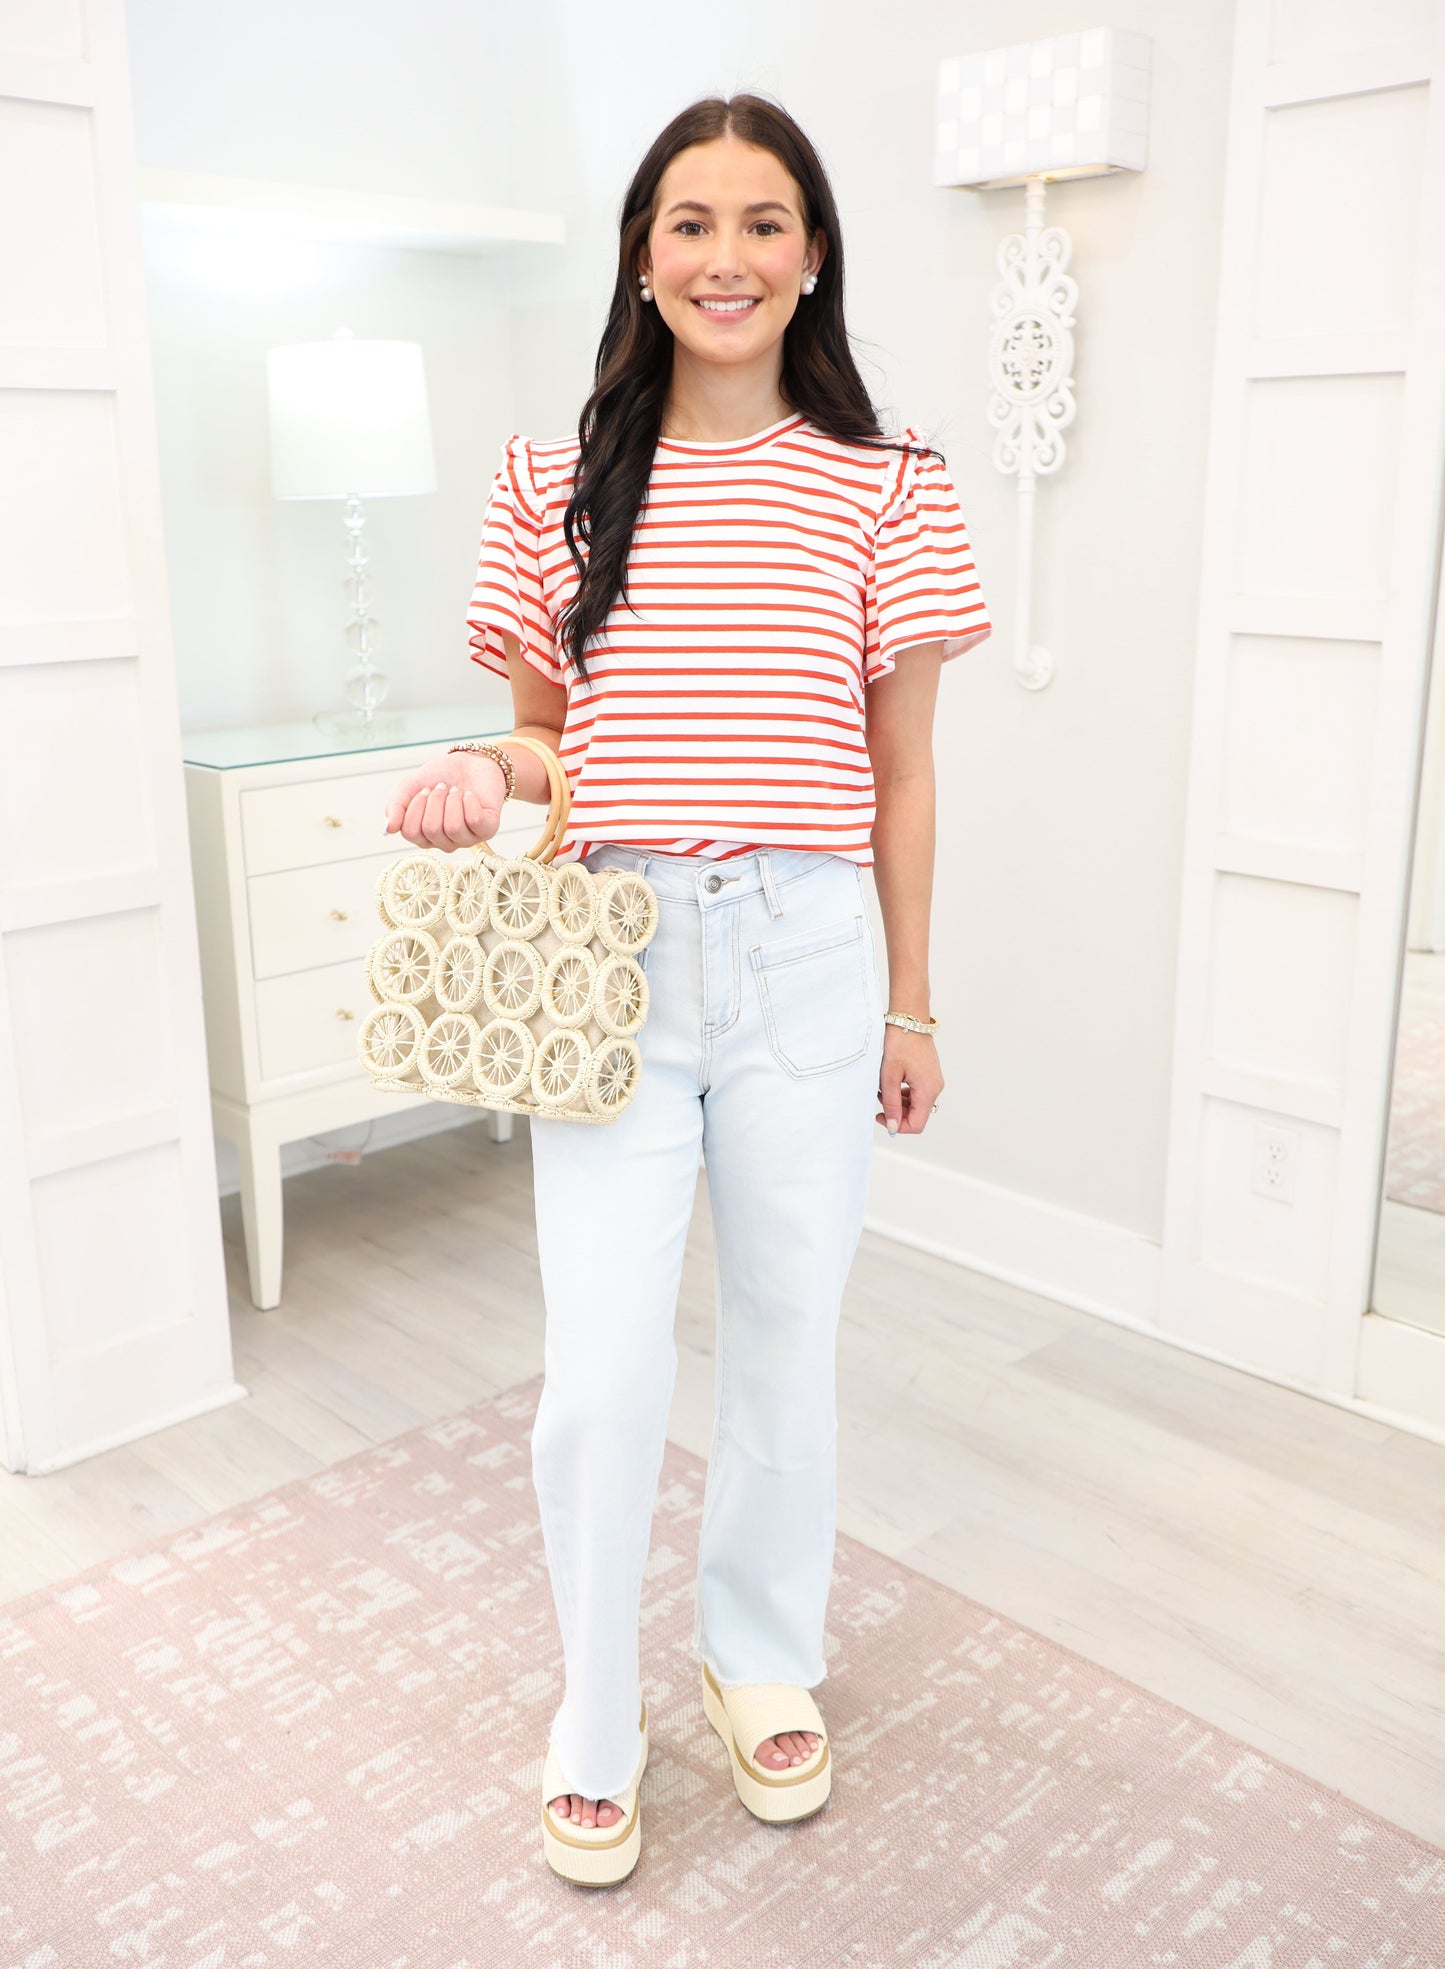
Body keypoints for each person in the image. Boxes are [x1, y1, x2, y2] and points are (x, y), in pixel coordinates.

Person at [383, 91, 992, 1886]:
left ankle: (759, 1654)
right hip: (612, 967)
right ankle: (593, 1704)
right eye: (689, 224)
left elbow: (898, 775)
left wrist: (915, 999)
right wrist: (483, 776)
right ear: (642, 261)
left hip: (808, 958)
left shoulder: (891, 486)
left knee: (788, 1344)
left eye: (763, 222)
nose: (725, 257)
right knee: (600, 1370)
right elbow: (551, 749)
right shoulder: (547, 480)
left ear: (811, 257)